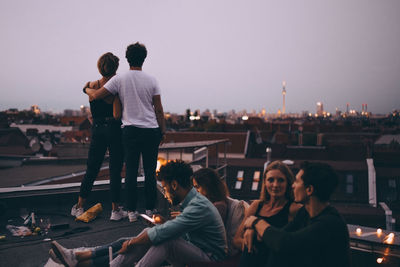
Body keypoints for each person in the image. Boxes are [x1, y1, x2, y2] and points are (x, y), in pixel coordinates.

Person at [49, 160, 227, 267]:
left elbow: (166, 235)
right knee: (149, 235)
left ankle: (86, 259)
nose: (164, 194)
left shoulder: (198, 206)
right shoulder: (192, 202)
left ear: (174, 185)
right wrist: (162, 224)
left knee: (164, 241)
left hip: (211, 259)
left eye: (165, 189)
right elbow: (179, 231)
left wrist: (134, 242)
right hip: (196, 249)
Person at [85, 42, 166, 222]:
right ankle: (151, 209)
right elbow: (159, 109)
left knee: (130, 171)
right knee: (150, 172)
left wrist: (86, 88)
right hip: (151, 130)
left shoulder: (119, 79)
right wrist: (163, 131)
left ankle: (131, 212)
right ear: (144, 58)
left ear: (127, 58)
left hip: (130, 131)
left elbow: (96, 95)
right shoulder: (152, 80)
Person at [243, 161, 351, 267]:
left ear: (309, 190)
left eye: (297, 181)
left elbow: (285, 243)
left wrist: (255, 221)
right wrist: (252, 229)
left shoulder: (329, 224)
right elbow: (279, 234)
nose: (293, 186)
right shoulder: (305, 213)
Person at [71, 52, 126, 221]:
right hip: (115, 130)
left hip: (97, 129)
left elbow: (91, 97)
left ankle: (79, 207)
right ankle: (115, 210)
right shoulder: (116, 88)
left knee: (92, 169)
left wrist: (86, 88)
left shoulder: (92, 85)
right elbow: (117, 116)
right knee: (115, 171)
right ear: (115, 68)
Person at [234, 160, 301, 267]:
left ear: (288, 183)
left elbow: (292, 245)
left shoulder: (293, 209)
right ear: (264, 182)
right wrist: (251, 243)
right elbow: (236, 239)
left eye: (280, 180)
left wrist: (256, 234)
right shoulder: (256, 205)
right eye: (271, 180)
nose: (275, 185)